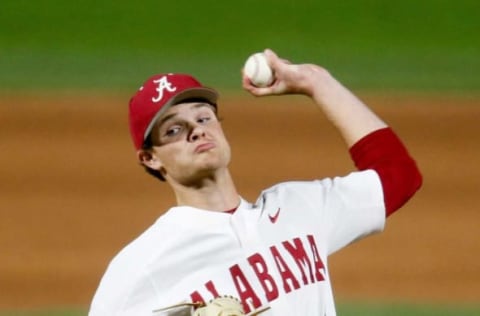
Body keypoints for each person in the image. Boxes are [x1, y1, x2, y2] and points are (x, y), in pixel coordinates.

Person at [88, 49, 422, 316]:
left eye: (203, 117)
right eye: (173, 130)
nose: (197, 130)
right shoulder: (141, 266)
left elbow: (399, 176)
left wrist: (316, 82)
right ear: (151, 158)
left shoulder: (298, 208)